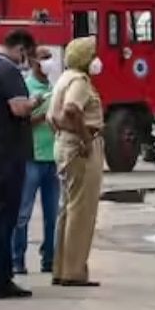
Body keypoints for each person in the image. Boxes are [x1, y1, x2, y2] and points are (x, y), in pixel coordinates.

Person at [0, 29, 39, 299]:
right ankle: (0, 280)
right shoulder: (8, 71)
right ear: (21, 49)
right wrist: (35, 101)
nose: (28, 61)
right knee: (5, 217)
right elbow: (18, 108)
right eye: (29, 55)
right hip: (7, 154)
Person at [49, 37, 105, 288]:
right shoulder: (79, 82)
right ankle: (74, 272)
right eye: (93, 55)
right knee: (81, 211)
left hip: (64, 144)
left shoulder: (64, 77)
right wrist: (84, 138)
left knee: (67, 209)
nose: (97, 60)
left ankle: (61, 268)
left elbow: (54, 115)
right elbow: (72, 108)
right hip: (79, 147)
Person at [13, 47, 60, 276]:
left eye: (50, 57)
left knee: (53, 215)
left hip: (53, 159)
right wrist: (43, 115)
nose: (48, 62)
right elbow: (21, 121)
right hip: (32, 158)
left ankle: (49, 258)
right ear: (33, 61)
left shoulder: (53, 88)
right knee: (23, 214)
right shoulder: (26, 88)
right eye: (44, 58)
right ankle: (17, 259)